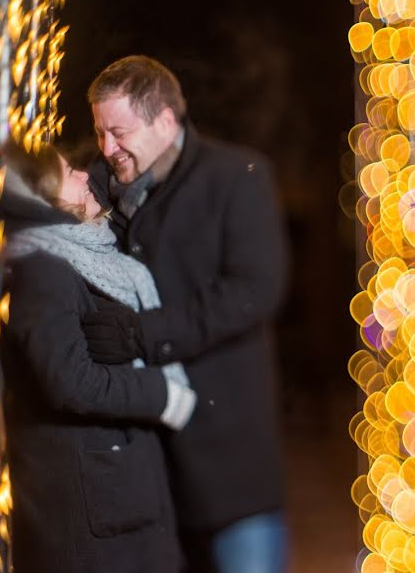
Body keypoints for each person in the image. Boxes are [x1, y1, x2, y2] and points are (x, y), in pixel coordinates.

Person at [80, 55, 289, 573]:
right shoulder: (98, 182)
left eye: (119, 132)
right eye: (100, 133)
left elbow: (256, 289)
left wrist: (145, 335)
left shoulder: (236, 177)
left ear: (166, 121)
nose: (107, 148)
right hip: (149, 478)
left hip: (232, 468)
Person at [0, 140, 197, 573]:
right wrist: (160, 392)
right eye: (69, 173)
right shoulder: (43, 269)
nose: (87, 175)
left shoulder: (82, 254)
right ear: (39, 197)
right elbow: (70, 380)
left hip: (117, 502)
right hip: (94, 516)